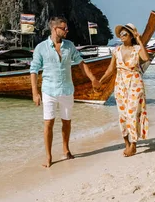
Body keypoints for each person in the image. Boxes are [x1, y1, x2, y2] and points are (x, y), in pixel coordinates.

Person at [30, 16, 101, 168]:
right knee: (48, 123)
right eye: (64, 28)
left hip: (67, 90)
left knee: (66, 122)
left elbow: (81, 63)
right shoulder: (41, 48)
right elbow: (34, 70)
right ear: (55, 29)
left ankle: (66, 149)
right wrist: (35, 93)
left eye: (67, 28)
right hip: (49, 91)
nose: (67, 30)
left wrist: (93, 79)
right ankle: (48, 156)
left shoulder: (69, 46)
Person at [99, 23, 150, 157]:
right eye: (120, 34)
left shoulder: (137, 48)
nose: (121, 36)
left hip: (135, 82)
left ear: (131, 36)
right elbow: (111, 69)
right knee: (122, 115)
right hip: (120, 84)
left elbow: (145, 59)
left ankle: (133, 144)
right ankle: (126, 142)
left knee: (132, 114)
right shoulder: (116, 50)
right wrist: (100, 82)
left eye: (125, 34)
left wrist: (139, 40)